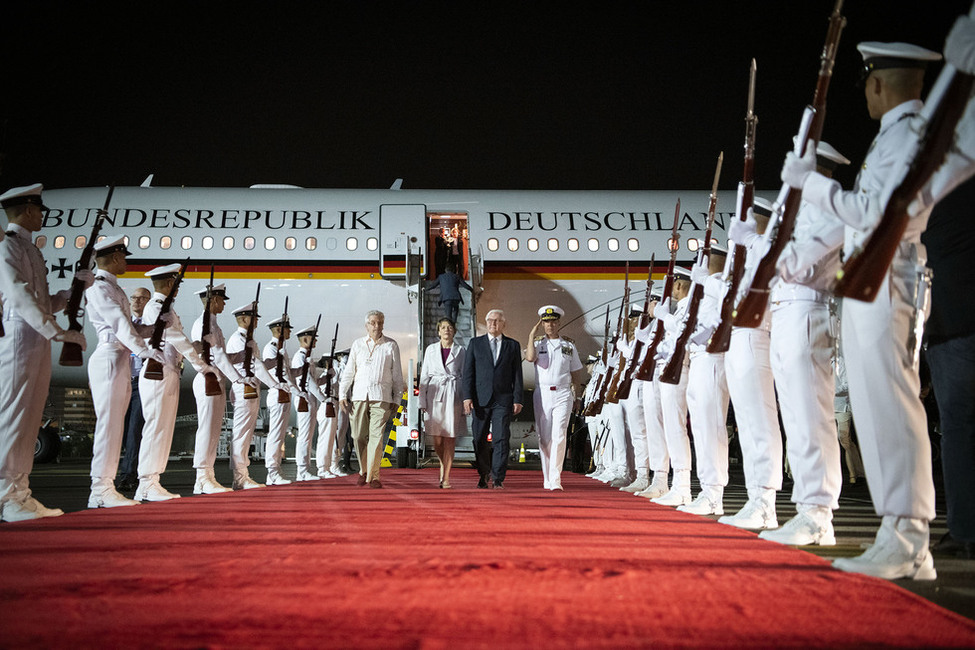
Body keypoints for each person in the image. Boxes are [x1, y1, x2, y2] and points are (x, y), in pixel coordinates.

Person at [780, 41, 942, 580]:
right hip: (873, 278)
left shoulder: (908, 135)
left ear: (879, 84)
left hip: (890, 275)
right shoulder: (891, 137)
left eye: (868, 82)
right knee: (877, 411)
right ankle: (900, 534)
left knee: (891, 407)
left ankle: (908, 535)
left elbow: (875, 212)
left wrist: (816, 187)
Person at [762, 141, 850, 547]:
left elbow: (797, 265)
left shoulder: (832, 212)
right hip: (786, 315)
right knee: (795, 418)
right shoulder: (798, 217)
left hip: (808, 312)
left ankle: (818, 513)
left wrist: (765, 246)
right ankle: (807, 509)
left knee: (811, 416)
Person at [0, 183, 89, 521]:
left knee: (29, 415)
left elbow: (41, 302)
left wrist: (70, 293)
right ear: (25, 211)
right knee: (13, 417)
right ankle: (6, 496)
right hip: (19, 337)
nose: (41, 216)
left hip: (33, 337)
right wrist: (57, 331)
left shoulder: (29, 249)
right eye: (38, 210)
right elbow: (20, 297)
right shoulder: (8, 248)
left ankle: (20, 493)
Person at [718, 199, 784, 531]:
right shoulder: (749, 257)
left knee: (760, 421)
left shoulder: (768, 250)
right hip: (738, 340)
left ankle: (765, 502)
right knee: (747, 423)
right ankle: (756, 497)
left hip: (756, 337)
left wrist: (750, 243)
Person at [86, 235, 162, 508]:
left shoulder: (115, 288)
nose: (126, 261)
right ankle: (100, 489)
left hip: (120, 357)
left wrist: (154, 329)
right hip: (109, 356)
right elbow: (119, 325)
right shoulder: (100, 287)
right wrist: (143, 351)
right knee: (108, 426)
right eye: (124, 257)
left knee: (116, 427)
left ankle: (105, 487)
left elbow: (131, 326)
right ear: (115, 258)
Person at [137, 263, 213, 502]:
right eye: (175, 284)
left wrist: (193, 350)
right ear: (169, 285)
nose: (177, 288)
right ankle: (147, 482)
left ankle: (152, 482)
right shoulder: (157, 307)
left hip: (169, 371)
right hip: (158, 372)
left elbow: (178, 341)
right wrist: (200, 364)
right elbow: (177, 339)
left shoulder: (165, 308)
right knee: (156, 427)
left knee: (164, 428)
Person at [678, 244, 730, 516]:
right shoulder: (703, 292)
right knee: (701, 428)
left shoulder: (718, 286)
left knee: (711, 428)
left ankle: (713, 493)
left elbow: (723, 314)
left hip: (711, 359)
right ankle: (707, 490)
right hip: (698, 360)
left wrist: (708, 282)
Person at [190, 283, 257, 494]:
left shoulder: (213, 325)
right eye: (221, 300)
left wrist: (241, 356)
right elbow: (210, 355)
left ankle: (208, 476)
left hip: (216, 379)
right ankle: (202, 477)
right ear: (213, 300)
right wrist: (237, 379)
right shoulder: (203, 324)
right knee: (207, 429)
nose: (223, 304)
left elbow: (222, 356)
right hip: (207, 378)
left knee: (214, 431)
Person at [225, 301, 287, 490]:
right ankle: (240, 477)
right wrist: (275, 384)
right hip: (244, 390)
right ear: (243, 319)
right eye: (253, 318)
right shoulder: (238, 339)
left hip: (250, 390)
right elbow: (256, 366)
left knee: (246, 433)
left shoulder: (248, 340)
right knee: (241, 434)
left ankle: (243, 476)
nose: (256, 322)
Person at [340, 310, 405, 488]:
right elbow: (349, 371)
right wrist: (342, 394)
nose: (377, 326)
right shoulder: (358, 344)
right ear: (366, 325)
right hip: (360, 396)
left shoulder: (391, 345)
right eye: (373, 323)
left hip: (381, 397)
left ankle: (374, 476)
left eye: (380, 323)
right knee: (358, 435)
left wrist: (397, 400)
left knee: (376, 437)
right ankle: (364, 470)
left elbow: (397, 375)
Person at [462, 309, 523, 489]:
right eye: (489, 320)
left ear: (503, 324)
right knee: (479, 438)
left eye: (496, 321)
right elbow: (468, 374)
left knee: (501, 438)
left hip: (503, 399)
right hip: (480, 399)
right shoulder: (475, 344)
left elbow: (517, 375)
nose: (492, 324)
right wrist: (467, 397)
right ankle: (483, 473)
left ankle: (498, 477)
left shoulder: (513, 345)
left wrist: (518, 398)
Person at [647, 267, 694, 506]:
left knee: (676, 428)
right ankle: (674, 484)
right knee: (670, 429)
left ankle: (682, 486)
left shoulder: (687, 308)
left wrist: (665, 317)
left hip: (679, 371)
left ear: (678, 285)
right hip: (670, 372)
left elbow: (684, 333)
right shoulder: (681, 309)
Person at [525, 306, 584, 491]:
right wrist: (530, 335)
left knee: (559, 435)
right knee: (544, 438)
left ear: (558, 323)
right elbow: (529, 358)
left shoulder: (568, 346)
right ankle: (547, 476)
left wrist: (578, 397)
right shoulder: (537, 344)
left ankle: (556, 478)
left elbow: (575, 374)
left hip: (563, 393)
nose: (549, 325)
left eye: (553, 321)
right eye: (546, 321)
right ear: (542, 324)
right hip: (542, 394)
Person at [419, 317, 467, 488]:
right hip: (434, 394)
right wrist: (422, 400)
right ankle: (442, 461)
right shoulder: (430, 350)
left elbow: (466, 376)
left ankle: (446, 477)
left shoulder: (461, 351)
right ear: (438, 331)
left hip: (454, 394)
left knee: (450, 437)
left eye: (449, 327)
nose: (447, 330)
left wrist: (466, 400)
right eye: (443, 327)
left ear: (454, 331)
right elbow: (424, 375)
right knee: (437, 439)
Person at [116, 287, 151, 492]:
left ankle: (128, 474)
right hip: (121, 380)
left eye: (142, 298)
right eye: (134, 298)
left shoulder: (153, 326)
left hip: (140, 382)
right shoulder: (123, 323)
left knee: (134, 430)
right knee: (118, 430)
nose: (137, 302)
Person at [262, 314, 301, 485]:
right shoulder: (270, 348)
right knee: (275, 435)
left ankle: (276, 470)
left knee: (280, 435)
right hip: (278, 393)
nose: (289, 332)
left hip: (285, 394)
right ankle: (272, 472)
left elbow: (289, 373)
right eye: (287, 329)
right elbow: (278, 372)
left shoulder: (282, 350)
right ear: (279, 330)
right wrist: (297, 391)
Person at [291, 324, 325, 481]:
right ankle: (302, 471)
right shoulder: (300, 357)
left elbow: (314, 380)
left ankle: (305, 470)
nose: (316, 341)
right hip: (305, 398)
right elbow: (309, 382)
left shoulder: (307, 358)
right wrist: (323, 398)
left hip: (310, 399)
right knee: (304, 436)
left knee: (308, 435)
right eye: (313, 338)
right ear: (304, 339)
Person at [315, 350, 350, 478]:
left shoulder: (332, 375)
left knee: (337, 437)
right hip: (328, 405)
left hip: (336, 404)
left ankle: (331, 465)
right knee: (327, 438)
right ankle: (324, 467)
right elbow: (336, 381)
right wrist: (340, 367)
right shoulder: (327, 376)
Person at [833, 344, 864, 485]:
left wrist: (832, 390)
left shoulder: (841, 361)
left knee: (844, 439)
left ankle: (854, 473)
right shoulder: (819, 360)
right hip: (826, 404)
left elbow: (847, 384)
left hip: (841, 405)